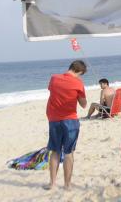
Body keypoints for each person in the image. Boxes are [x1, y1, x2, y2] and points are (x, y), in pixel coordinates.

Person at [45, 60, 87, 190]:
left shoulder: (54, 79)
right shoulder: (78, 83)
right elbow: (84, 104)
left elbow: (53, 92)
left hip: (54, 119)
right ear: (79, 71)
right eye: (81, 74)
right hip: (70, 120)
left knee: (55, 151)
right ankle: (67, 185)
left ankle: (52, 184)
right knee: (69, 153)